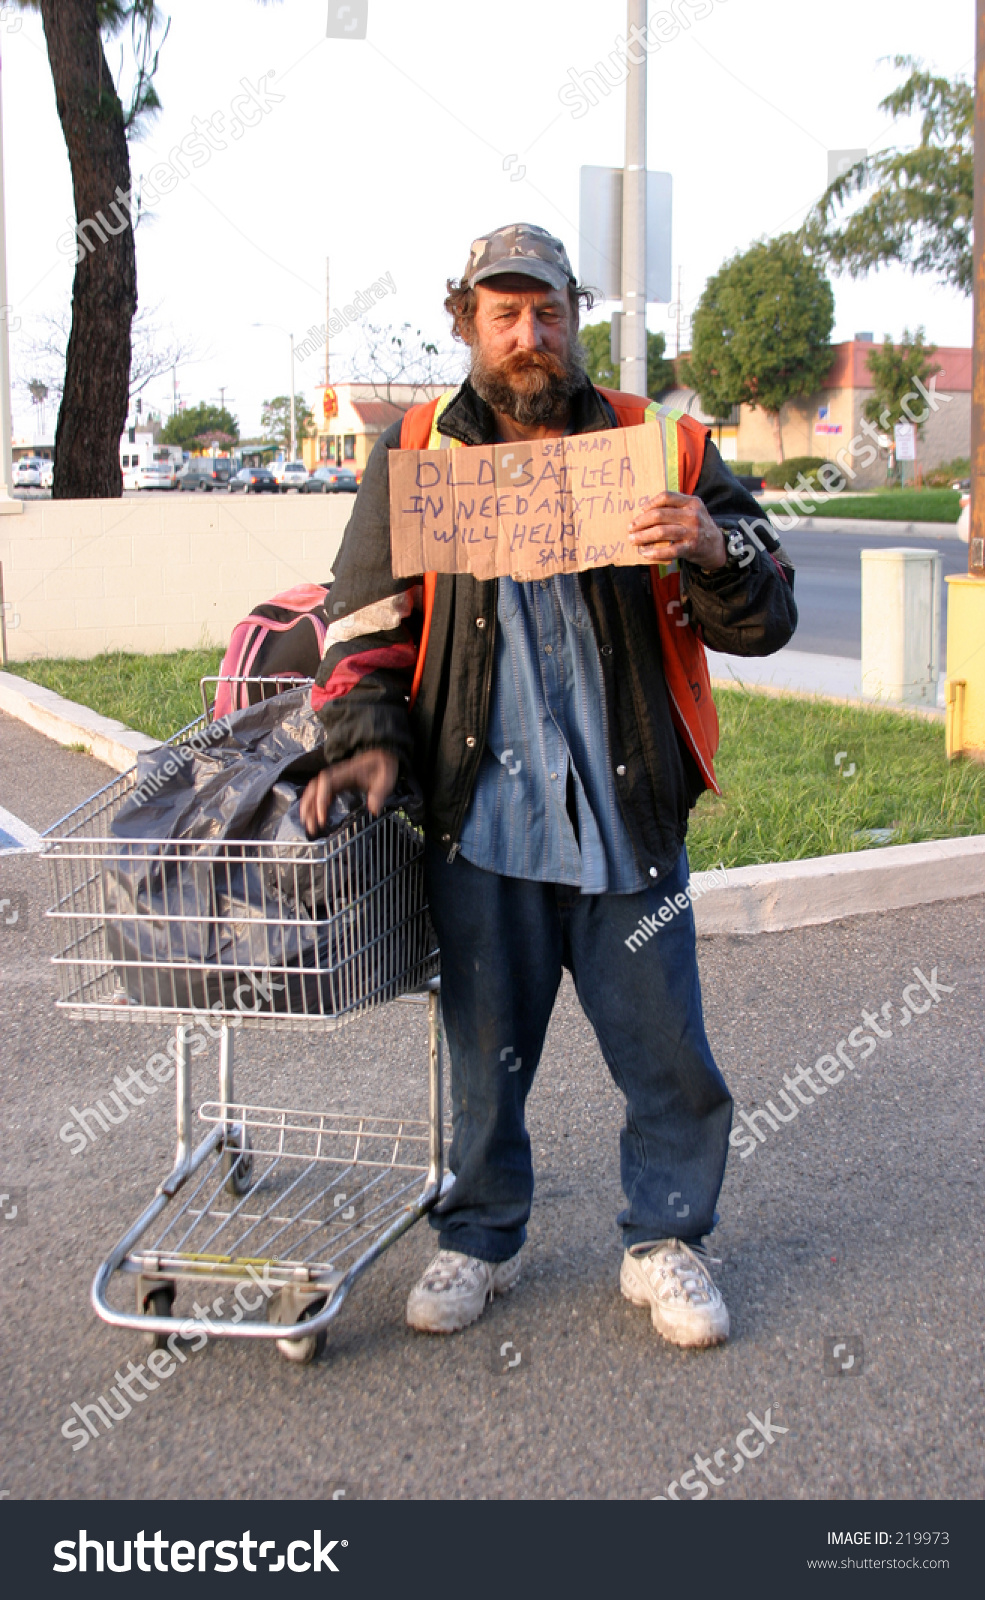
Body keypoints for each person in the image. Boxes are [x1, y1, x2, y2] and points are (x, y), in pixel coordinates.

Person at [301, 223, 797, 1349]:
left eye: (548, 311)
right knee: (482, 1051)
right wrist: (368, 735)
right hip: (483, 814)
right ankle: (477, 1239)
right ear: (465, 322)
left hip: (628, 811)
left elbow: (768, 605)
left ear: (578, 314)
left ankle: (665, 1240)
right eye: (503, 313)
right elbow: (367, 617)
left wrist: (712, 552)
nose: (528, 335)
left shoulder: (655, 441)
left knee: (665, 1043)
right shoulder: (418, 448)